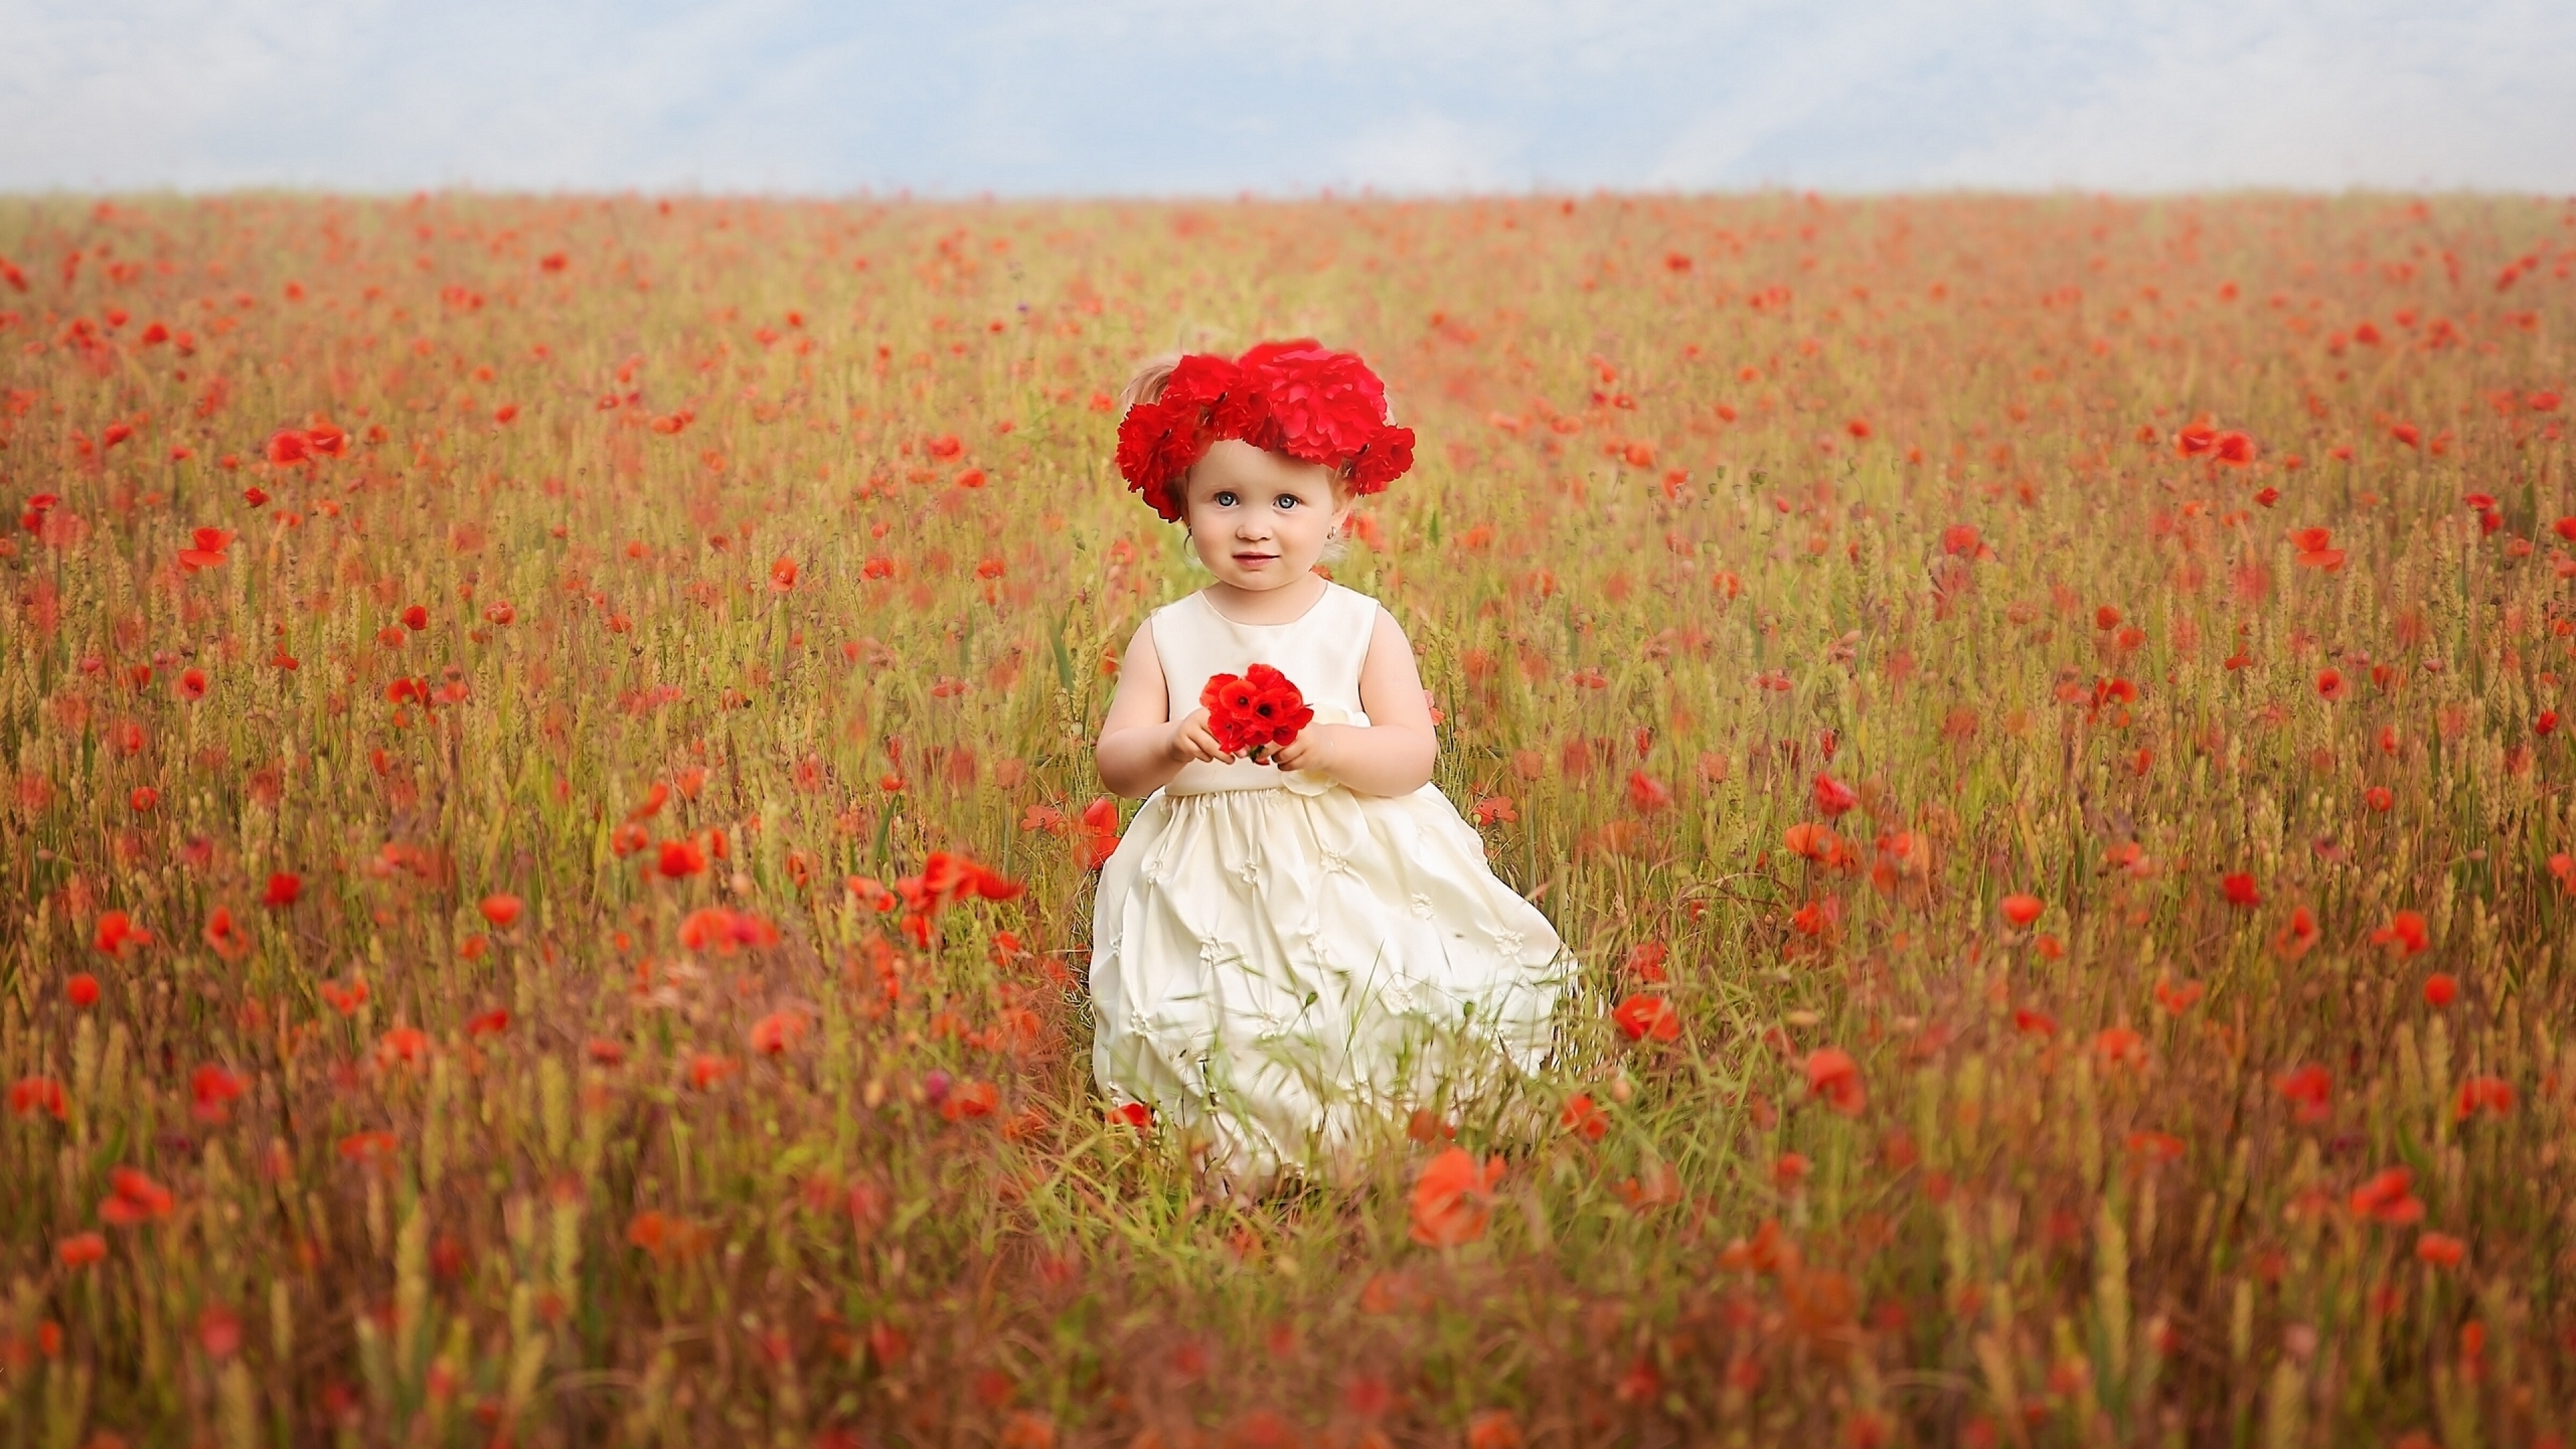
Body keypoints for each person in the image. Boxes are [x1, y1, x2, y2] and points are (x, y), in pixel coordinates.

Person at [1087, 339, 1575, 1205]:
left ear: (1338, 508)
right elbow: (1116, 765)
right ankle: (1241, 1155)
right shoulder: (1166, 632)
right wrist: (1172, 742)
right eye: (1225, 499)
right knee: (1223, 1018)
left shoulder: (1361, 625)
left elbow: (1410, 755)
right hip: (1210, 873)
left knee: (1392, 991)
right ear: (1184, 506)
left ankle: (1391, 1139)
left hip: (1351, 854)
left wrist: (1326, 748)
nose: (1254, 525)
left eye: (1287, 500)